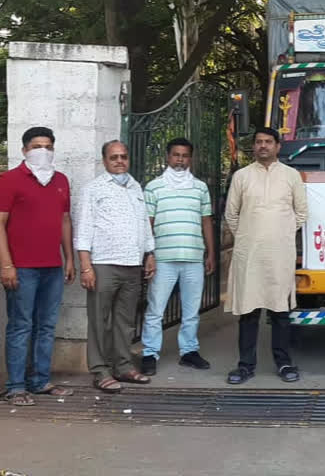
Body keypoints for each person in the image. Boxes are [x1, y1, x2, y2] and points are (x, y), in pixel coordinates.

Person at [224, 127, 307, 384]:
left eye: (268, 142)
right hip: (249, 255)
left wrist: (278, 233)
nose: (263, 146)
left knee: (280, 313)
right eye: (259, 142)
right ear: (254, 147)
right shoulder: (242, 176)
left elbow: (301, 213)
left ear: (278, 146)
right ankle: (245, 366)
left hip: (280, 255)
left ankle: (284, 364)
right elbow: (231, 215)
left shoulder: (291, 176)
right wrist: (251, 236)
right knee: (248, 313)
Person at [0, 127, 75, 406]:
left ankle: (40, 380)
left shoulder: (61, 181)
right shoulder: (9, 180)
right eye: (36, 146)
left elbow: (65, 220)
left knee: (46, 326)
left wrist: (69, 258)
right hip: (22, 268)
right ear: (24, 150)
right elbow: (0, 223)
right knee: (21, 325)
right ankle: (16, 386)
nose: (42, 151)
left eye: (48, 146)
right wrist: (6, 265)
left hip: (52, 267)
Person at [74, 140, 156, 393]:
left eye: (123, 156)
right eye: (114, 157)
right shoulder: (94, 189)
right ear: (104, 161)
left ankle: (123, 366)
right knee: (100, 320)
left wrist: (149, 253)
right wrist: (86, 266)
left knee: (126, 320)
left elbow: (143, 223)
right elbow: (84, 228)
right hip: (103, 265)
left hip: (132, 263)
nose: (120, 161)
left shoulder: (135, 187)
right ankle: (100, 371)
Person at [140, 138, 215, 376]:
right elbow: (147, 224)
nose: (180, 159)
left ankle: (189, 352)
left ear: (190, 158)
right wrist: (148, 254)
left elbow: (206, 221)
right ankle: (150, 353)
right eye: (176, 155)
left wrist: (211, 252)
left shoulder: (200, 188)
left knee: (192, 310)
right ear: (167, 157)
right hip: (163, 258)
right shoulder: (154, 187)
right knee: (155, 310)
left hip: (193, 258)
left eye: (184, 155)